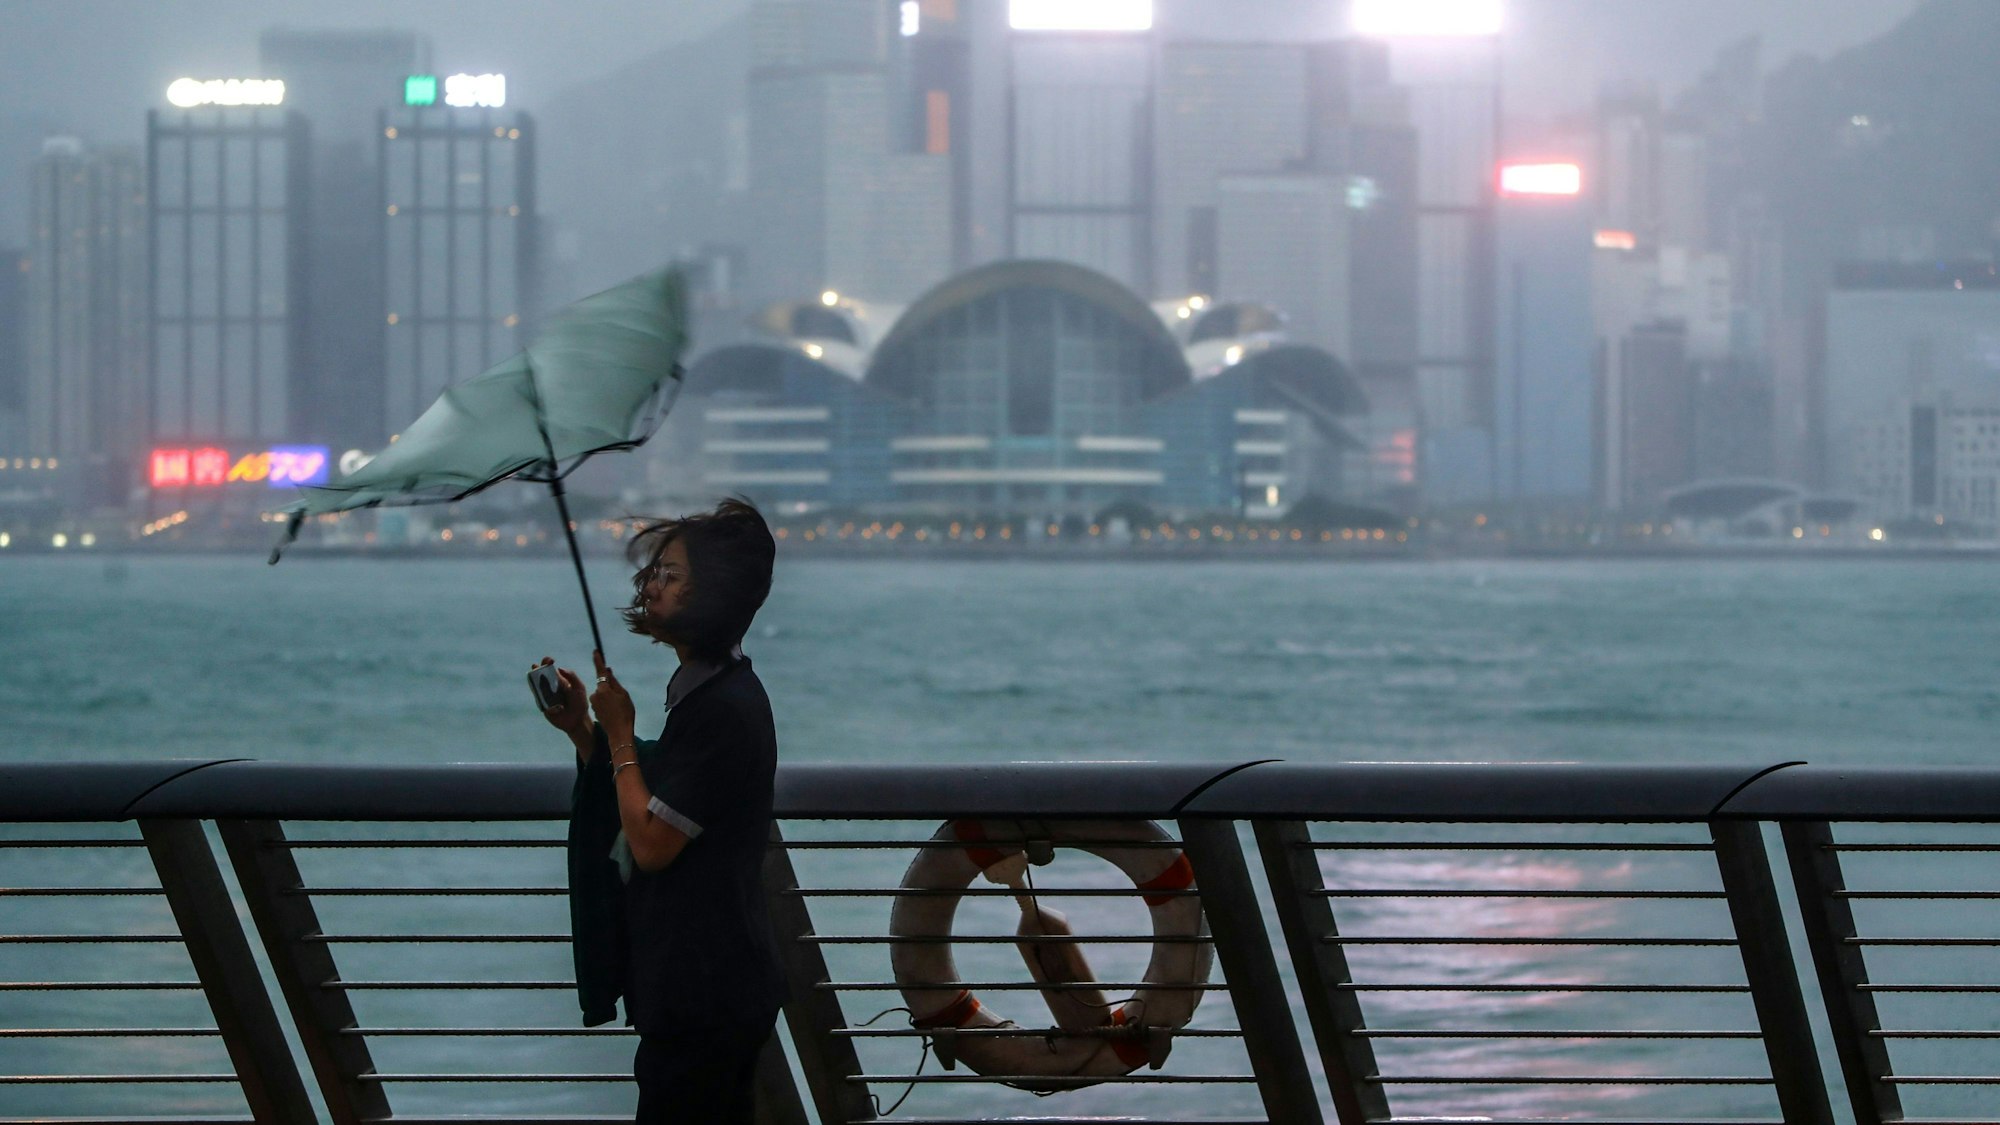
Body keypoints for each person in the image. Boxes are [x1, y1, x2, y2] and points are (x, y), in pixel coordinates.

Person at [539, 498, 789, 1124]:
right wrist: (585, 731)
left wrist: (619, 734)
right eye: (655, 571)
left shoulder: (723, 710)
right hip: (701, 982)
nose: (651, 584)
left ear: (714, 593)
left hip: (707, 987)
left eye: (670, 574)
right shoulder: (708, 693)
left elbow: (652, 841)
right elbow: (661, 788)